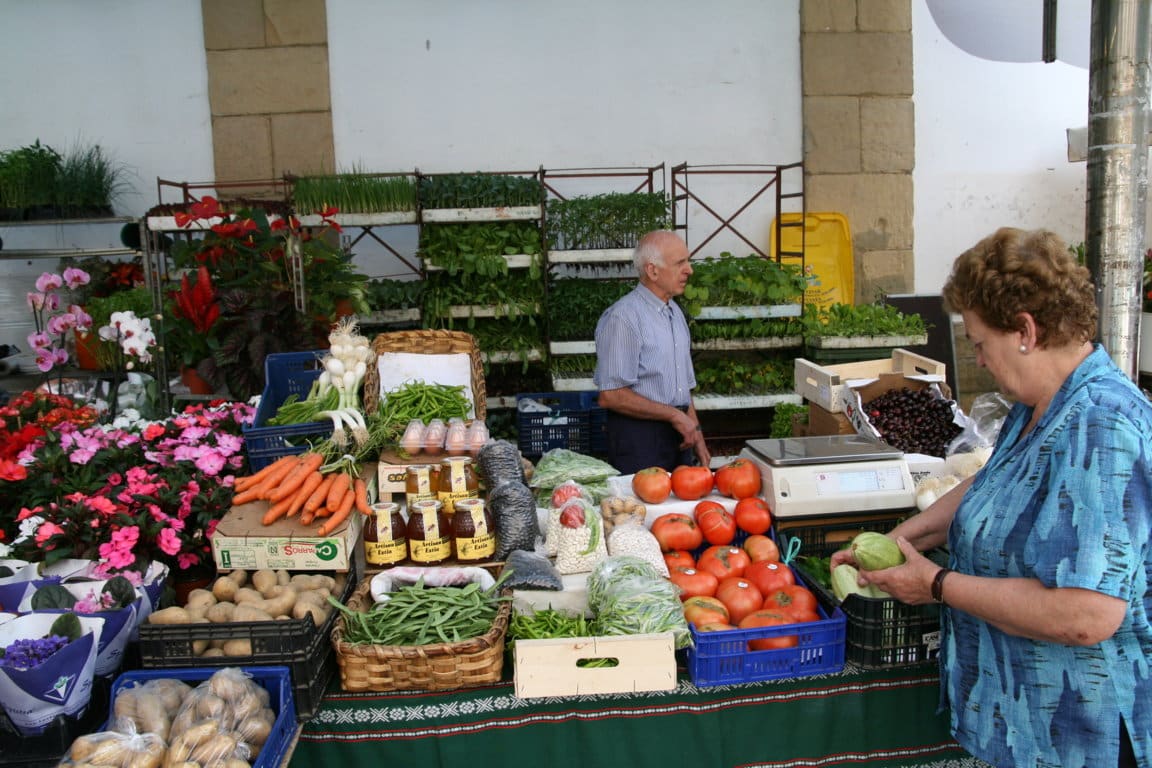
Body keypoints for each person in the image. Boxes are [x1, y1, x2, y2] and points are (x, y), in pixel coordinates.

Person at [832, 227, 1150, 768]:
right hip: (1020, 721)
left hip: (1079, 734)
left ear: (1025, 330)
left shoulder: (1102, 423)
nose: (977, 360)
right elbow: (994, 483)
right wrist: (898, 539)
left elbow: (1086, 615)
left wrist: (936, 584)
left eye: (980, 343)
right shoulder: (1038, 406)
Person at [593, 230, 710, 474]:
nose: (689, 270)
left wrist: (696, 435)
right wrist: (674, 416)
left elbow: (683, 389)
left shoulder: (675, 313)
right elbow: (611, 395)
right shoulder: (624, 318)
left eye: (688, 261)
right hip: (640, 439)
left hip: (679, 435)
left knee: (680, 510)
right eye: (680, 263)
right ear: (652, 271)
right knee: (644, 510)